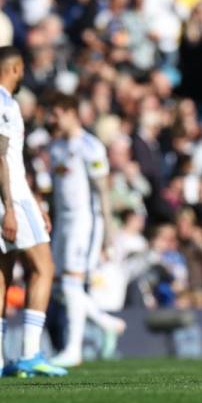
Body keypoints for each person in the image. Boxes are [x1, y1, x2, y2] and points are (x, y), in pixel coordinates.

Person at [0, 46, 66, 377]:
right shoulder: (4, 105)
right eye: (22, 69)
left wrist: (34, 203)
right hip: (7, 194)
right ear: (14, 68)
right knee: (44, 268)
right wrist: (12, 207)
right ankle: (29, 353)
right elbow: (0, 157)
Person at [46, 93, 126, 367]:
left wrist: (108, 231)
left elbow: (102, 190)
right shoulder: (56, 147)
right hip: (62, 221)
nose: (52, 119)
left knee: (72, 283)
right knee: (59, 287)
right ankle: (105, 322)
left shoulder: (90, 146)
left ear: (71, 113)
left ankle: (73, 350)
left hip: (85, 221)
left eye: (56, 114)